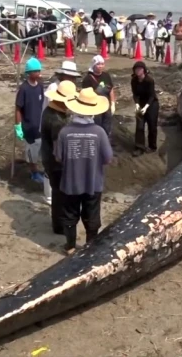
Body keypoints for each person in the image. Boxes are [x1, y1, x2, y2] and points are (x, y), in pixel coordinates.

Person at [56, 87, 113, 254]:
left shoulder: (64, 132)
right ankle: (90, 248)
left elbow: (58, 157)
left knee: (69, 215)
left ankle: (70, 246)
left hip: (70, 182)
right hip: (93, 182)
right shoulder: (99, 132)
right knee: (92, 216)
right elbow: (108, 158)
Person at [42, 61, 81, 208]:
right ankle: (50, 197)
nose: (72, 79)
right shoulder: (54, 88)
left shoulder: (67, 88)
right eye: (70, 76)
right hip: (53, 130)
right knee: (52, 166)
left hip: (56, 129)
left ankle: (55, 198)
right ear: (63, 75)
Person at [42, 80, 77, 233]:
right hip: (56, 162)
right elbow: (58, 149)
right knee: (60, 194)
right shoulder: (57, 121)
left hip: (48, 156)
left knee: (57, 192)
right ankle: (60, 225)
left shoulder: (48, 111)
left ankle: (58, 223)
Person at [15, 58, 45, 183]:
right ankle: (34, 172)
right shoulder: (24, 89)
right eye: (36, 71)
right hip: (28, 126)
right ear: (29, 73)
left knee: (39, 148)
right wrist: (18, 125)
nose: (38, 73)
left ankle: (37, 169)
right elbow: (18, 108)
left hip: (38, 124)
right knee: (32, 150)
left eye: (39, 70)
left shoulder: (40, 87)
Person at [82, 55, 116, 138]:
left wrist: (113, 103)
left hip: (106, 106)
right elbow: (85, 94)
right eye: (98, 64)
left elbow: (111, 89)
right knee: (97, 127)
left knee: (107, 127)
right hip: (95, 108)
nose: (100, 66)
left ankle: (106, 142)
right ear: (93, 65)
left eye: (102, 64)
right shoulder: (88, 78)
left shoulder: (106, 75)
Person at [131, 61, 159, 156]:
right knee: (139, 125)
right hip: (141, 103)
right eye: (136, 69)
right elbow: (135, 94)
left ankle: (152, 146)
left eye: (140, 69)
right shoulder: (134, 80)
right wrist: (137, 105)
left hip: (152, 104)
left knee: (152, 125)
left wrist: (146, 107)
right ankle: (139, 147)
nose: (138, 71)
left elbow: (151, 96)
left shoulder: (149, 80)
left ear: (144, 70)